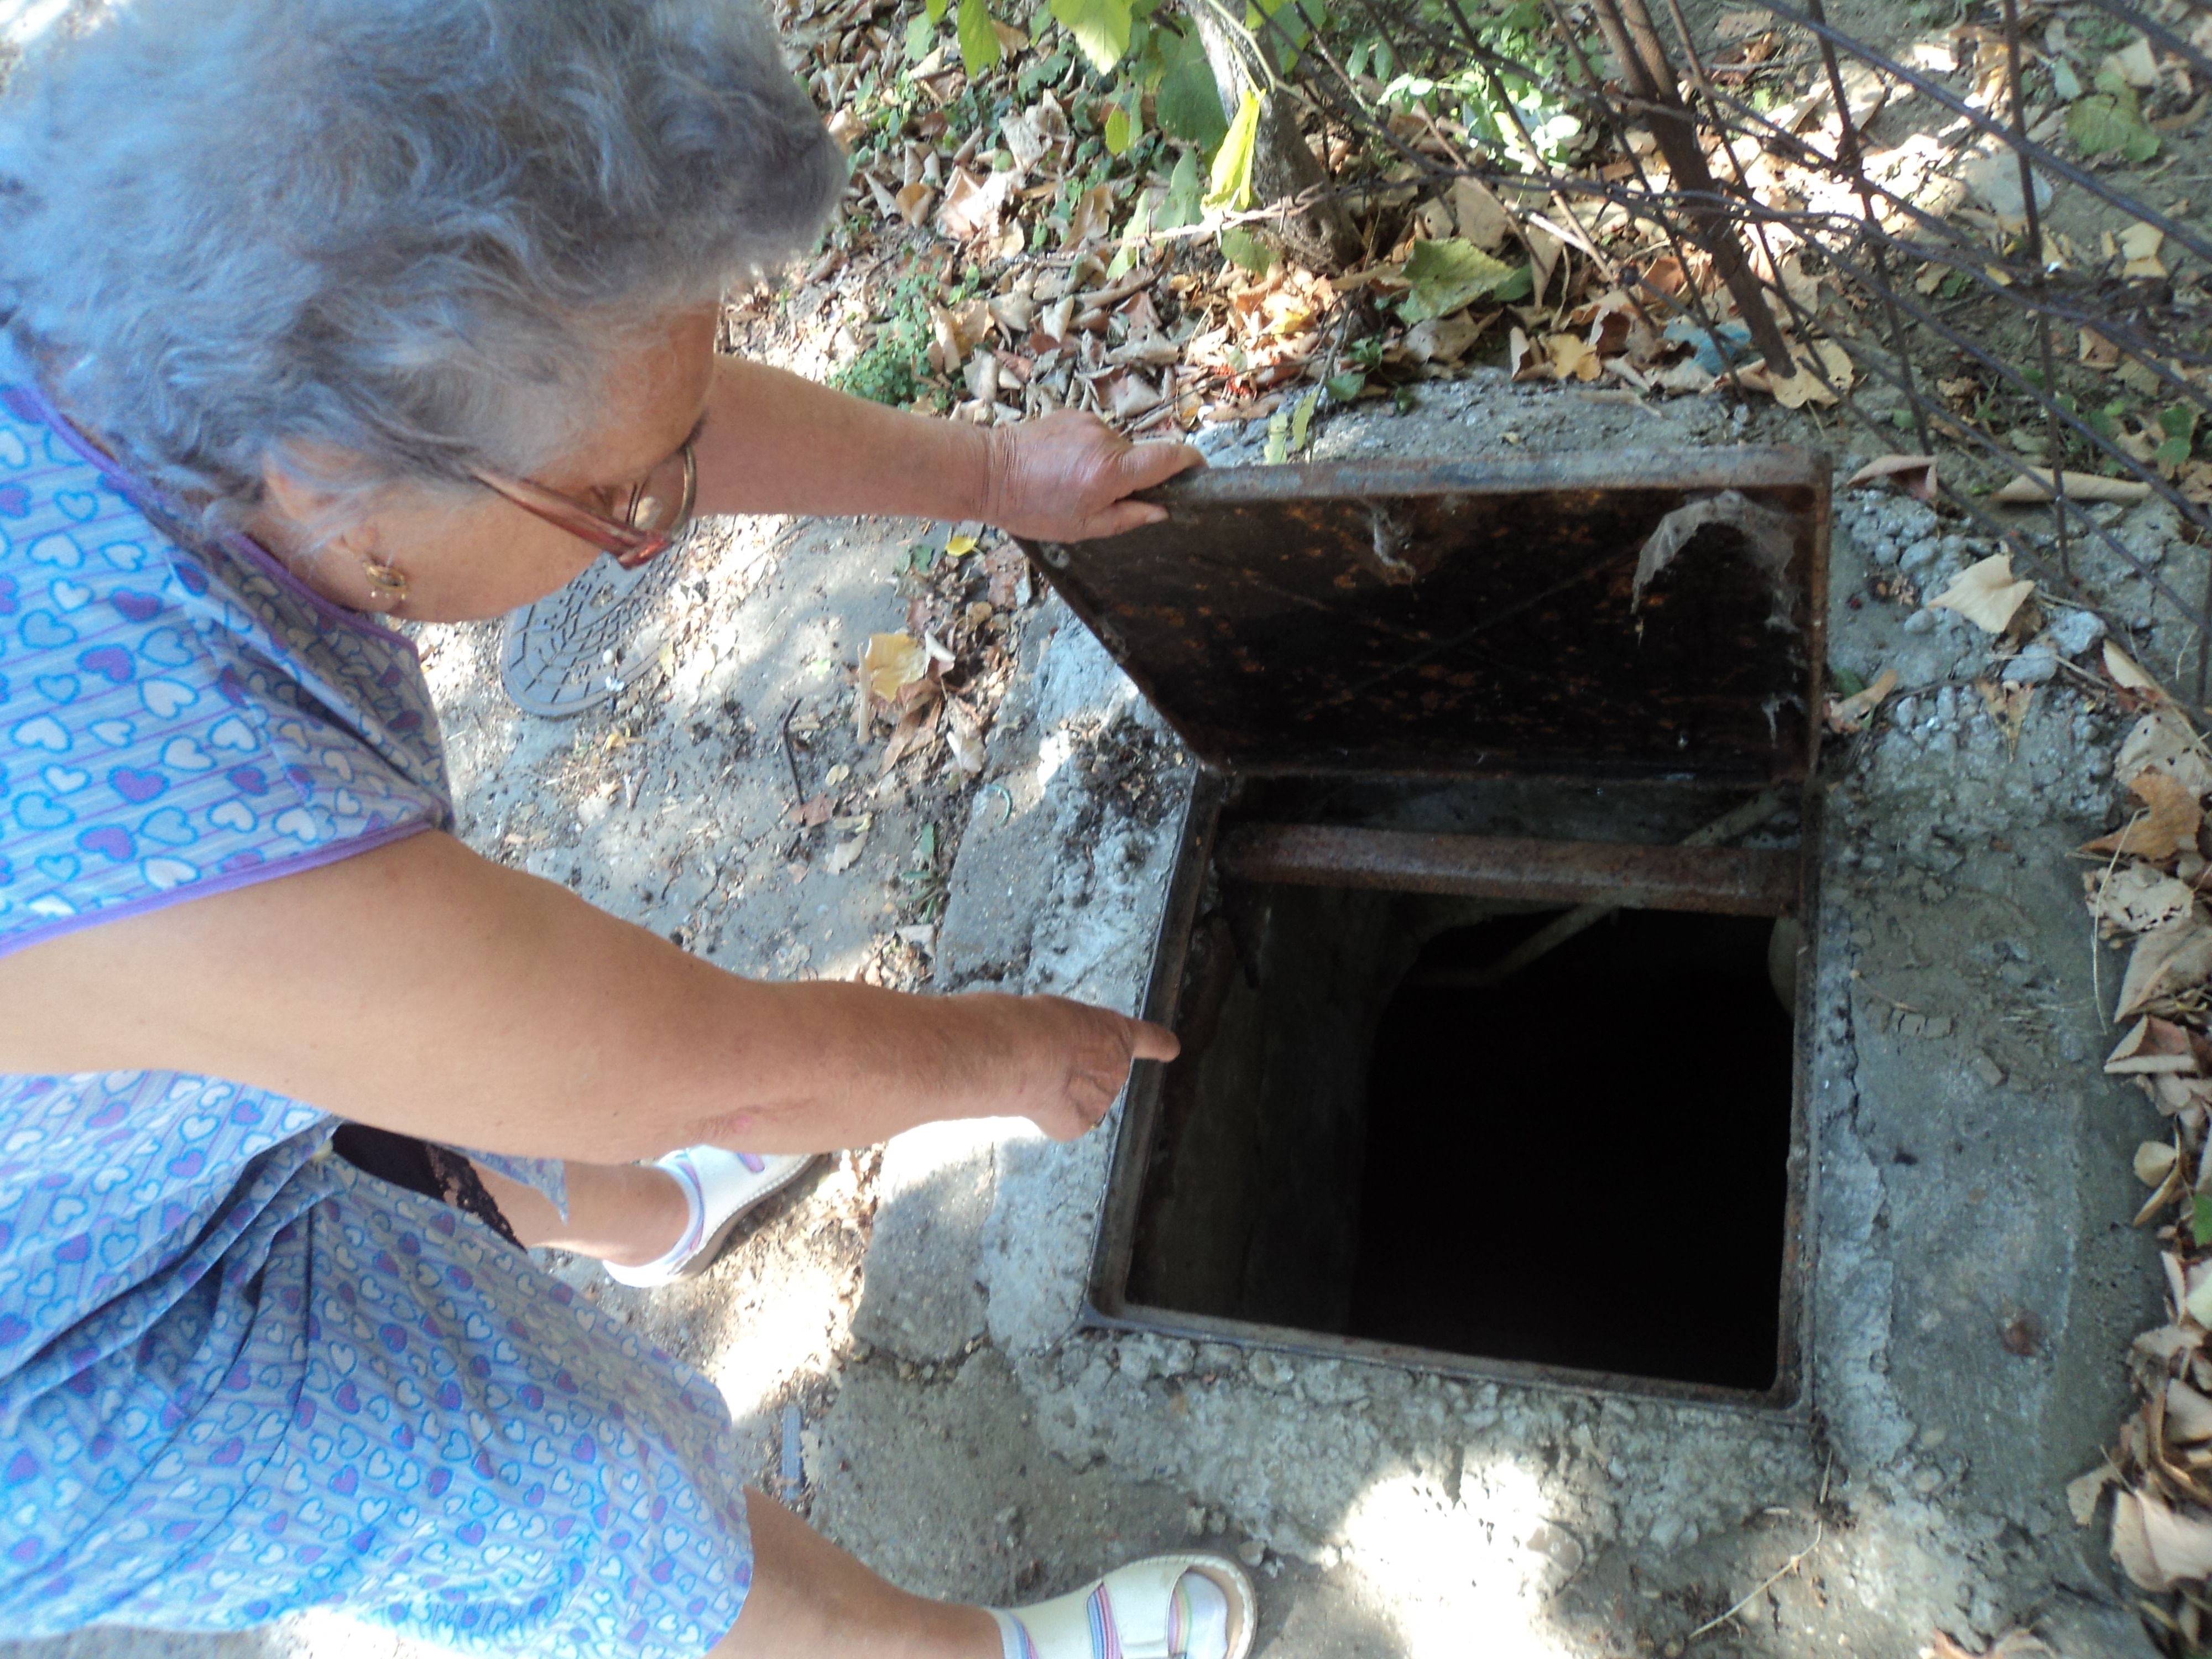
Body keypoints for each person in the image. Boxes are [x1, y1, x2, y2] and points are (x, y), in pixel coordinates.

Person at [0, 1, 1258, 1655]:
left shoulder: (162, 303)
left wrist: (999, 474)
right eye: (628, 510)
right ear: (333, 473)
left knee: (413, 1124)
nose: (656, 520)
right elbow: (699, 1056)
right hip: (62, 1326)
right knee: (586, 1487)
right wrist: (1008, 1058)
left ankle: (654, 1211)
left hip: (116, 1089)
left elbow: (615, 403)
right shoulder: (158, 817)